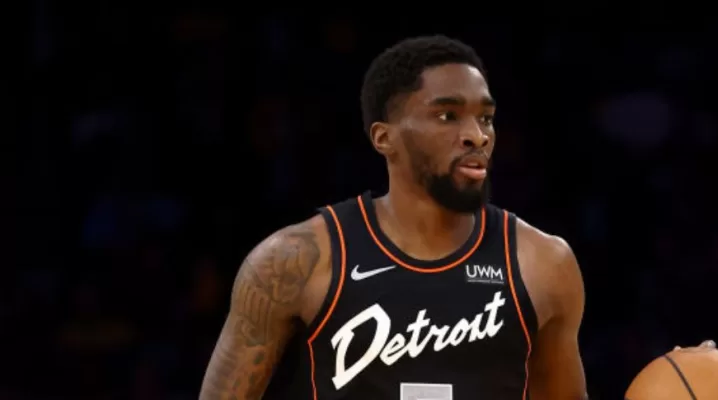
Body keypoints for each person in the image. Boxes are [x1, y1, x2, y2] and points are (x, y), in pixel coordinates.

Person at [199, 35, 588, 400]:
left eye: (485, 118)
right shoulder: (294, 261)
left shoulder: (544, 263)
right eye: (447, 115)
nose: (477, 136)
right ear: (384, 138)